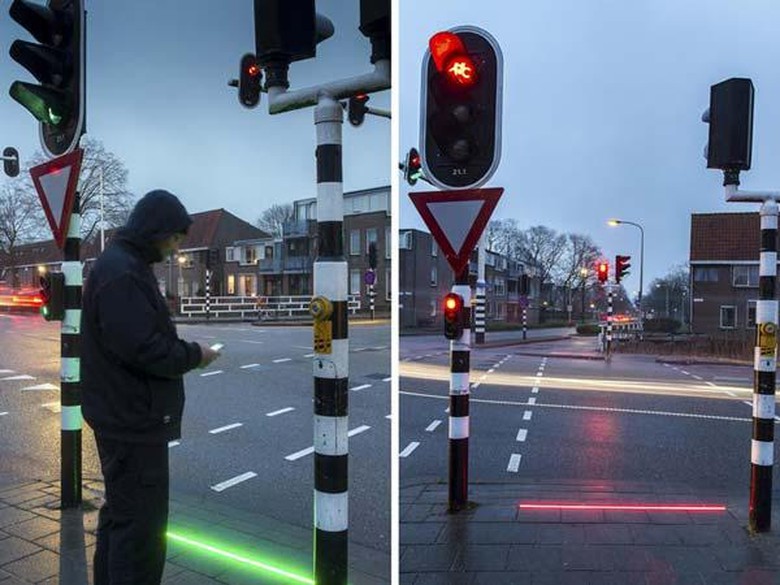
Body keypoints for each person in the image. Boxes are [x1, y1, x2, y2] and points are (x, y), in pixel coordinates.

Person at [81, 189, 220, 585]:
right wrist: (196, 354)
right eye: (175, 238)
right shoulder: (124, 272)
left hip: (122, 416)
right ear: (156, 230)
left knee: (121, 518)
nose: (176, 248)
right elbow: (143, 348)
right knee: (140, 531)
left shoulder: (120, 265)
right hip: (133, 421)